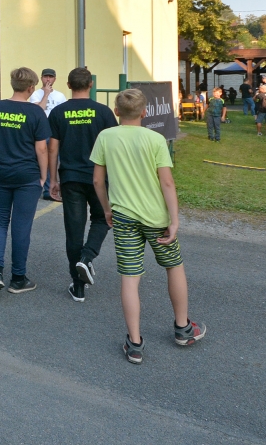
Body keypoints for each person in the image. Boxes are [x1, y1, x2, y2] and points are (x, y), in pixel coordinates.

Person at [91, 88, 205, 365]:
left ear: (117, 112)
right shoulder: (155, 139)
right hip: (157, 220)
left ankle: (135, 343)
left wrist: (107, 209)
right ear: (144, 113)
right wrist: (174, 220)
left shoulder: (105, 136)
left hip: (123, 218)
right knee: (173, 267)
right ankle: (183, 328)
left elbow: (97, 181)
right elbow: (167, 182)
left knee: (130, 278)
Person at [47, 67, 118, 302]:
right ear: (91, 85)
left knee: (74, 231)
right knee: (102, 219)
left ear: (68, 85)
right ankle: (86, 258)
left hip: (70, 178)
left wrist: (53, 180)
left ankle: (77, 287)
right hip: (99, 178)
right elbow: (113, 148)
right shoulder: (104, 112)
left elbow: (53, 148)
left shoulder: (58, 112)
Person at [0, 66, 50, 294]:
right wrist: (43, 176)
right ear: (31, 88)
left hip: (2, 173)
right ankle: (18, 278)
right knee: (21, 225)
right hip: (27, 176)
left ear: (13, 85)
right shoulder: (36, 113)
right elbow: (41, 149)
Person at [30, 68, 67, 197]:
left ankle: (50, 190)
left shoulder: (60, 96)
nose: (48, 79)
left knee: (54, 160)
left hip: (55, 131)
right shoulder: (36, 94)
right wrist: (46, 94)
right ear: (41, 78)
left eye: (51, 77)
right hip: (40, 131)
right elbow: (38, 111)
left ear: (55, 79)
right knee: (41, 160)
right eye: (46, 77)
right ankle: (39, 187)